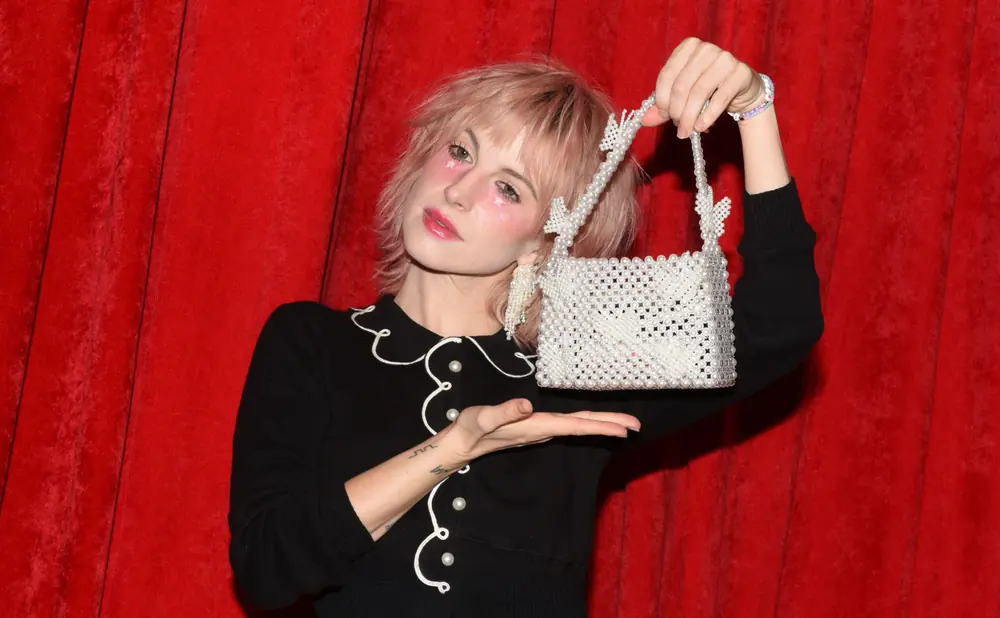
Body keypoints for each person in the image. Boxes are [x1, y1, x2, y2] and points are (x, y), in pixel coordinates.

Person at [228, 37, 823, 617]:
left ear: (546, 242)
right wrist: (454, 447)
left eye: (508, 188)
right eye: (461, 151)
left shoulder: (574, 364)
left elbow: (779, 321)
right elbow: (268, 568)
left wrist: (753, 106)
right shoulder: (312, 342)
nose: (458, 191)